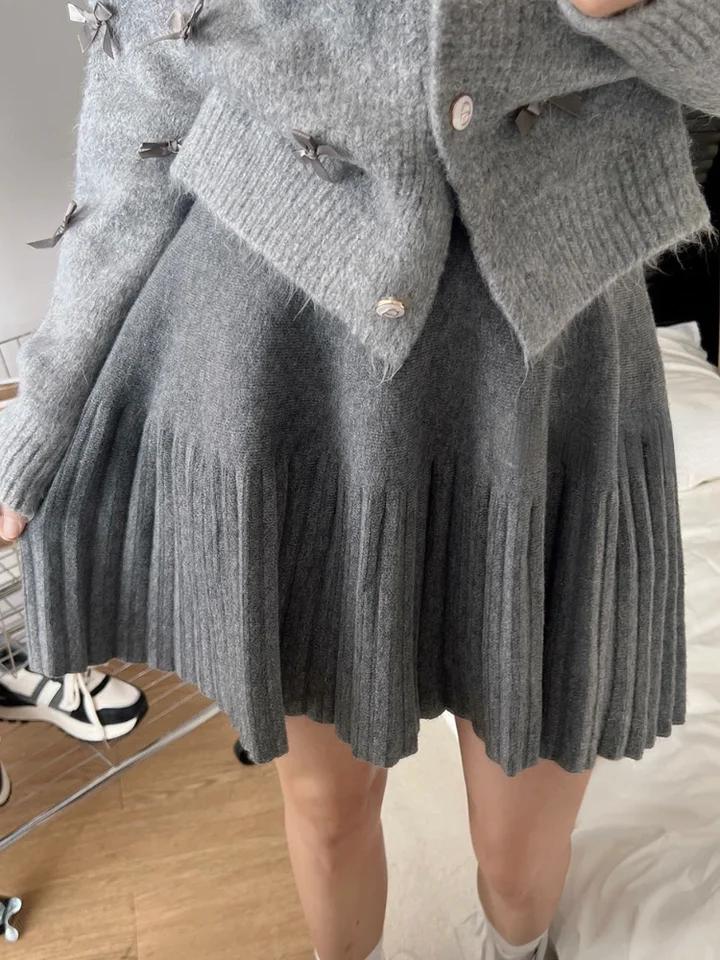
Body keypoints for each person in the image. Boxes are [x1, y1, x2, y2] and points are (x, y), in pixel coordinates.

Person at [1, 1, 718, 958]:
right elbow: (140, 114)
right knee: (327, 806)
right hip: (291, 379)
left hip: (552, 386)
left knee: (520, 859)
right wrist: (44, 414)